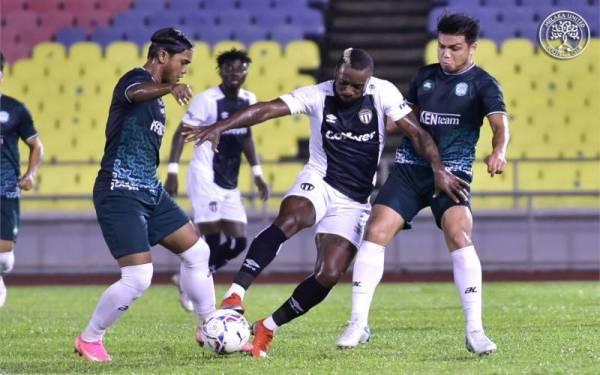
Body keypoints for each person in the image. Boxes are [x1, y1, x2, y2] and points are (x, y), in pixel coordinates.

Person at [185, 48, 469, 358]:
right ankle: (234, 296)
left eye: (356, 86)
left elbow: (418, 134)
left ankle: (267, 327)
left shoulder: (383, 92)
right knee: (292, 218)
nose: (348, 90)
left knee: (330, 273)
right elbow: (267, 109)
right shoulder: (317, 95)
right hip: (319, 181)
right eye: (343, 82)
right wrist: (220, 126)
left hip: (354, 200)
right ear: (336, 73)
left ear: (368, 81)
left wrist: (439, 169)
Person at [336, 13, 509, 356]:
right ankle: (358, 323)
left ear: (472, 48)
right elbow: (406, 117)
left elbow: (500, 126)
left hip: (454, 173)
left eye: (454, 48)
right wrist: (385, 123)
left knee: (460, 235)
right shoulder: (425, 76)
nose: (445, 54)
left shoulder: (484, 84)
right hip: (410, 169)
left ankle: (475, 330)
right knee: (375, 232)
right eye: (441, 46)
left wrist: (497, 152)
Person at [74, 28, 217, 363]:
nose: (185, 69)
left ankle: (209, 325)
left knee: (198, 251)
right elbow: (137, 93)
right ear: (162, 56)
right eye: (182, 62)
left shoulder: (159, 99)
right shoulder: (134, 80)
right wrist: (170, 88)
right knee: (139, 277)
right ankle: (90, 338)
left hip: (148, 189)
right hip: (119, 190)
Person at [165, 49, 269, 312]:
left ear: (247, 71)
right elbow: (181, 132)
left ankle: (188, 279)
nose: (236, 73)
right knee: (211, 240)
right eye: (230, 68)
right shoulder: (207, 100)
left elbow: (246, 136)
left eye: (241, 69)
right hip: (205, 176)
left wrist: (257, 173)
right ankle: (201, 296)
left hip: (229, 182)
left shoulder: (249, 99)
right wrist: (173, 170)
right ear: (221, 71)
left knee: (238, 242)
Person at [0, 51, 44, 309]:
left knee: (4, 257)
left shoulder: (15, 109)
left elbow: (36, 145)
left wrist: (31, 174)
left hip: (6, 189)